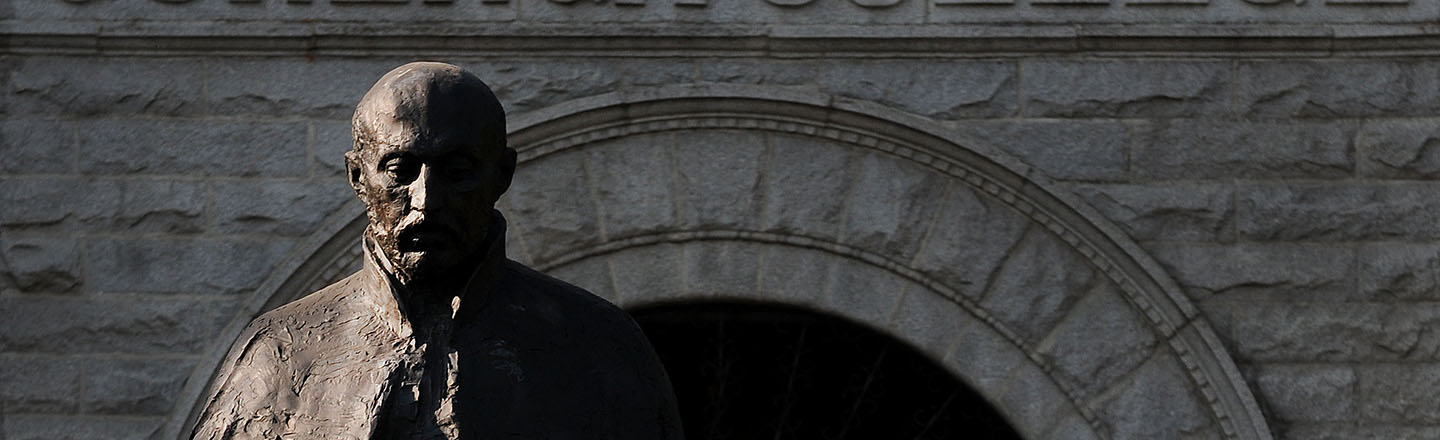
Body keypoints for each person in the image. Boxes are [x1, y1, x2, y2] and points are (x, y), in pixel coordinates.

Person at [192, 62, 683, 439]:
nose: (426, 202)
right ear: (358, 176)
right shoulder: (276, 357)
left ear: (502, 175)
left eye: (458, 170)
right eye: (400, 169)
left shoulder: (599, 348)